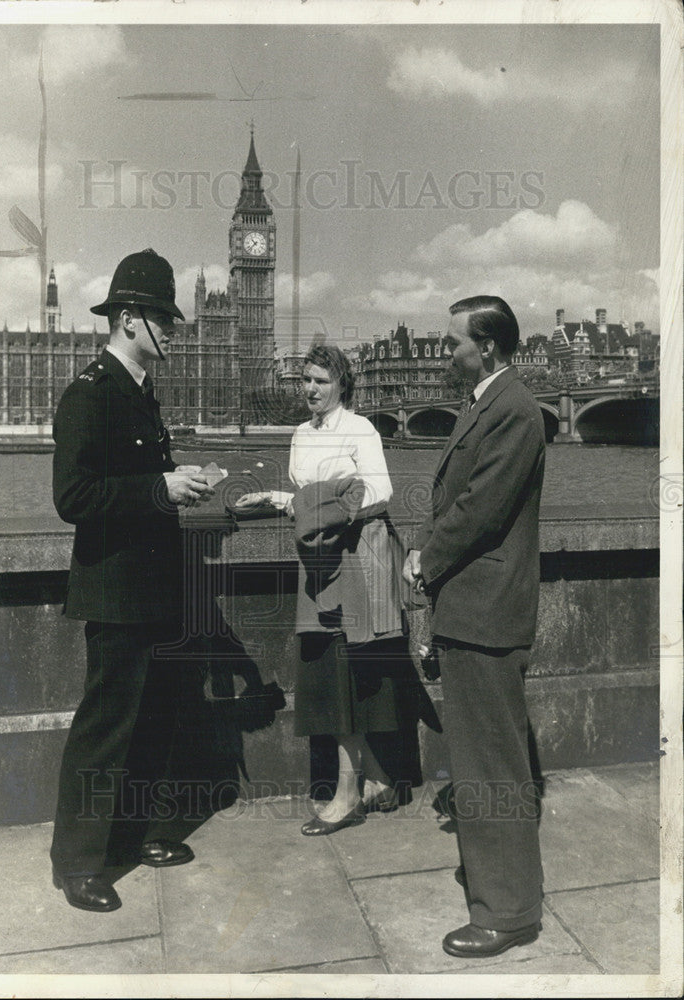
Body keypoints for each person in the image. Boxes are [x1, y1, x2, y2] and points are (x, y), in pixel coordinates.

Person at [49, 249, 214, 912]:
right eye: (162, 320)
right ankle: (79, 862)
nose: (173, 331)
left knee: (153, 719)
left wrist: (183, 486)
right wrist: (157, 486)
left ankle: (137, 833)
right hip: (115, 593)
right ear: (127, 319)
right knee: (106, 727)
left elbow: (145, 486)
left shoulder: (142, 394)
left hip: (155, 588)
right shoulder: (89, 393)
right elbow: (74, 496)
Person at [403, 295, 546, 958]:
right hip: (470, 609)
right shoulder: (486, 401)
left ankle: (509, 911)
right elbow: (451, 498)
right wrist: (423, 549)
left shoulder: (512, 410)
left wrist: (424, 561)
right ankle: (496, 889)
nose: (445, 351)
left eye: (453, 341)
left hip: (488, 613)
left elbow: (480, 511)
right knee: (480, 762)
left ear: (486, 346)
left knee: (492, 767)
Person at [241, 344, 425, 834]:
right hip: (318, 556)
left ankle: (348, 794)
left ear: (343, 384)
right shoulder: (300, 434)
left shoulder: (360, 428)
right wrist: (278, 498)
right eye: (306, 379)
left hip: (356, 554)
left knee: (348, 669)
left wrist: (320, 503)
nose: (310, 389)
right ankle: (380, 778)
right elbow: (306, 499)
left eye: (321, 380)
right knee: (330, 666)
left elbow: (379, 491)